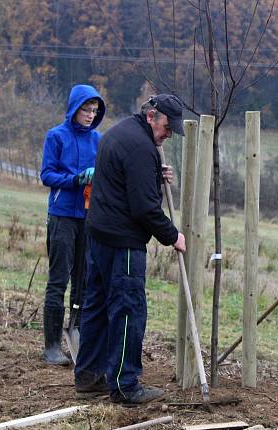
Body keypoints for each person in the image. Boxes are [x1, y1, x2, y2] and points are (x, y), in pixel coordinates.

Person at [73, 94, 186, 405]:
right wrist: (172, 235)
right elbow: (144, 208)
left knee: (96, 306)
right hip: (122, 242)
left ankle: (88, 374)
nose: (168, 134)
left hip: (99, 235)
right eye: (167, 127)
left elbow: (125, 183)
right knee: (127, 310)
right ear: (151, 116)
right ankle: (125, 385)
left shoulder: (122, 133)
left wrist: (152, 175)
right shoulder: (139, 147)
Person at [39, 84, 105, 365]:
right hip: (62, 216)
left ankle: (76, 328)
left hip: (88, 218)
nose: (90, 115)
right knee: (59, 280)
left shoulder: (98, 141)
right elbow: (47, 175)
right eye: (86, 110)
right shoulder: (56, 137)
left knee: (84, 280)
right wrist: (76, 179)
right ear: (74, 109)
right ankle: (52, 345)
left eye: (94, 111)